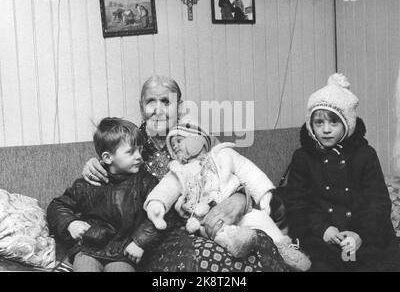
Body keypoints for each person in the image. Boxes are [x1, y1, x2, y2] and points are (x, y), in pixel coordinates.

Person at [81, 75, 289, 272]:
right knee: (205, 258)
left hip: (213, 218)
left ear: (179, 106)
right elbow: (110, 181)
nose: (158, 109)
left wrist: (240, 198)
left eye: (166, 101)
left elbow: (233, 171)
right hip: (160, 233)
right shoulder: (132, 143)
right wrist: (94, 164)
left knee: (257, 245)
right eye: (150, 102)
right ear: (141, 106)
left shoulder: (195, 136)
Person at [145, 123, 311, 271]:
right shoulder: (179, 170)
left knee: (261, 219)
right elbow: (165, 189)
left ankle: (285, 250)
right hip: (205, 219)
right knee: (217, 232)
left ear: (198, 138)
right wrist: (156, 204)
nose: (175, 147)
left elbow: (249, 172)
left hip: (240, 209)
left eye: (179, 141)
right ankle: (237, 242)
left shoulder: (224, 154)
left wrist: (264, 195)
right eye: (172, 146)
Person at [283, 73, 400, 272]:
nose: (326, 130)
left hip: (363, 234)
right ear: (311, 125)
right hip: (322, 236)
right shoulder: (303, 157)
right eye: (319, 123)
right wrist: (323, 229)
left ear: (347, 124)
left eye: (333, 123)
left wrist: (359, 235)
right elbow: (297, 203)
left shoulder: (365, 154)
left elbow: (377, 202)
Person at [47, 118, 166, 272]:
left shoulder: (146, 182)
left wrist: (140, 242)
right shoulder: (89, 182)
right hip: (88, 249)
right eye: (131, 151)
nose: (139, 156)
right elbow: (57, 206)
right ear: (108, 158)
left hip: (124, 252)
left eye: (140, 150)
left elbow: (161, 214)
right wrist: (71, 223)